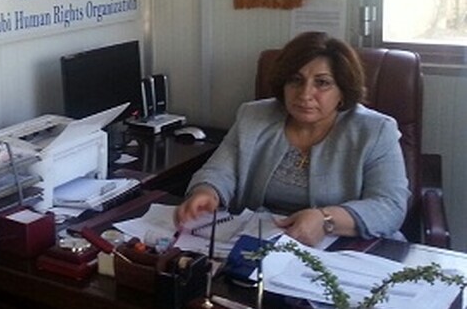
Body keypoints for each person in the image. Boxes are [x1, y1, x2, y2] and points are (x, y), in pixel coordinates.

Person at [174, 32, 410, 247]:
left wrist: (326, 220)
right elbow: (219, 171)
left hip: (343, 250)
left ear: (343, 90)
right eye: (296, 80)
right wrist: (207, 192)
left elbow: (390, 206)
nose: (305, 94)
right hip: (257, 243)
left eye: (322, 83)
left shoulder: (375, 130)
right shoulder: (252, 116)